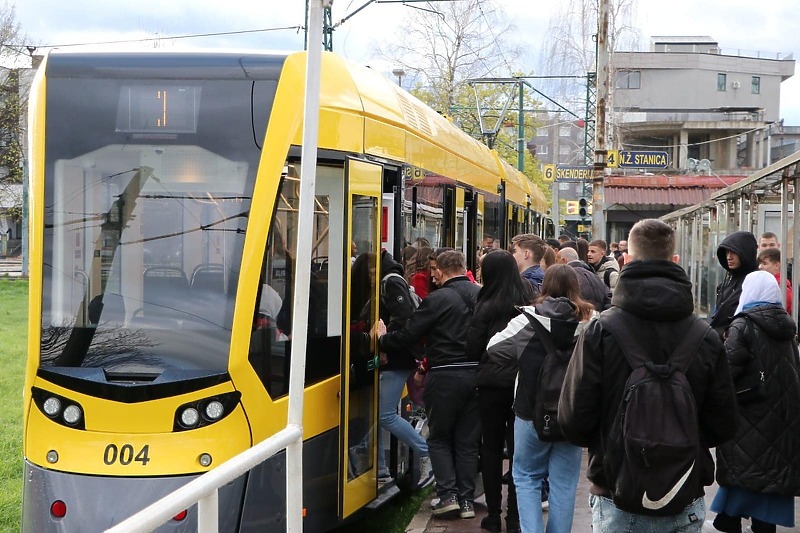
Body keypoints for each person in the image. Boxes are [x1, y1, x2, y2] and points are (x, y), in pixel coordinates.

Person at [558, 218, 738, 533]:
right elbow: (724, 423)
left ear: (627, 259)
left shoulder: (601, 331)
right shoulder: (705, 336)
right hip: (684, 490)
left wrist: (616, 440)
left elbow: (574, 419)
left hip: (615, 491)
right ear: (676, 261)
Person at [486, 264, 594, 533]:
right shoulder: (591, 320)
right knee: (565, 483)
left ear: (544, 286)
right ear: (575, 287)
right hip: (571, 414)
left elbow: (494, 348)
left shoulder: (528, 318)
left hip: (529, 411)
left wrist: (523, 359)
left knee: (525, 476)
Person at [378, 250, 481, 520]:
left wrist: (382, 340)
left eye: (434, 269)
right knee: (468, 442)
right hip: (477, 375)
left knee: (440, 438)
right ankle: (467, 501)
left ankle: (448, 496)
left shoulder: (437, 299)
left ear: (443, 270)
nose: (432, 274)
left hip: (445, 374)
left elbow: (410, 333)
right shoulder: (481, 294)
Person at [709, 270, 800, 533]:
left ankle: (730, 518)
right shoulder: (785, 325)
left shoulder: (743, 325)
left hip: (748, 410)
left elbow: (727, 368)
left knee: (744, 467)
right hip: (781, 413)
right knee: (770, 469)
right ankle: (759, 522)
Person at [467, 250, 535, 533]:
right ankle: (516, 518)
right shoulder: (528, 300)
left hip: (492, 385)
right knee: (520, 452)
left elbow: (472, 348)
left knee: (492, 448)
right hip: (522, 384)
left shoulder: (485, 305)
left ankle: (493, 515)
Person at [375, 250, 432, 487]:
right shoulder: (393, 279)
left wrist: (383, 340)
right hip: (398, 357)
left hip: (396, 358)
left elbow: (404, 317)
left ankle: (426, 450)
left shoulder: (391, 282)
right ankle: (378, 466)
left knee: (385, 414)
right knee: (380, 413)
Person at [709, 231, 758, 339]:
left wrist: (726, 333)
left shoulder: (755, 283)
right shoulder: (726, 283)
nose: (729, 257)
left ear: (745, 253)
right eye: (726, 253)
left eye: (733, 252)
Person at [556, 246, 611, 311]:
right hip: (596, 317)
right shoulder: (595, 276)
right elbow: (608, 298)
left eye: (557, 261)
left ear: (563, 260)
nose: (555, 264)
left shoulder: (564, 277)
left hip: (577, 318)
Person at [758, 247, 792, 314]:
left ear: (777, 265)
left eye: (764, 263)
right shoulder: (766, 284)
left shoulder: (782, 288)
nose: (760, 267)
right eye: (760, 263)